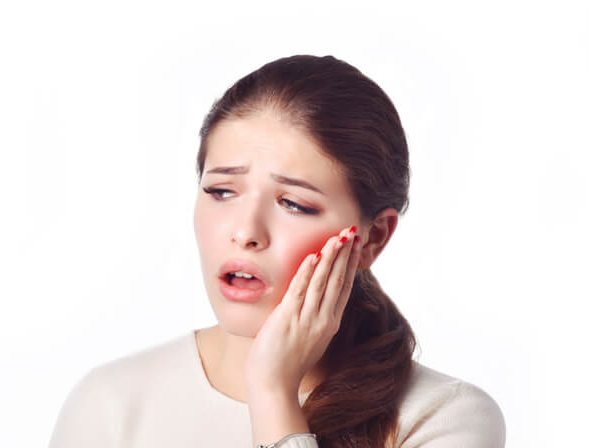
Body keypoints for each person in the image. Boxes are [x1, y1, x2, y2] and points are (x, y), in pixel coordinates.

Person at [48, 54, 506, 448]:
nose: (246, 232)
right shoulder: (110, 404)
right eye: (222, 191)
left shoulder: (444, 417)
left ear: (373, 238)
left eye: (294, 204)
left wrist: (273, 395)